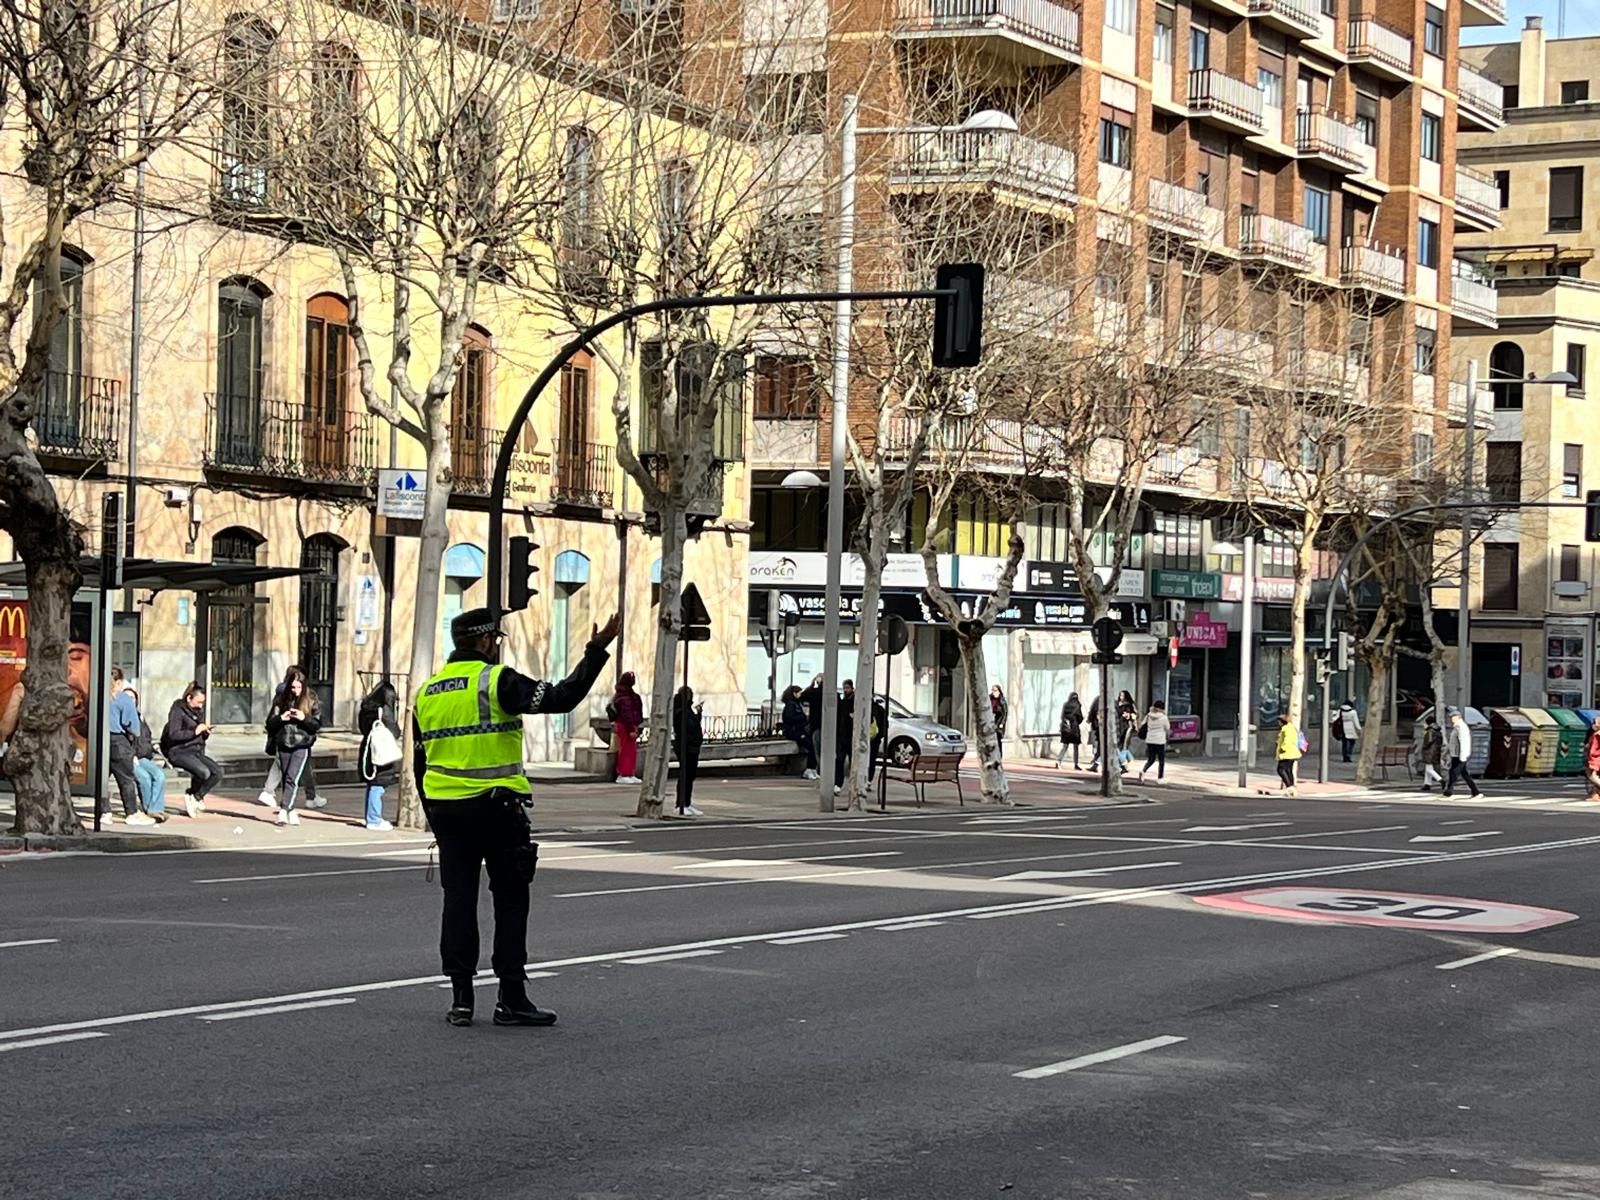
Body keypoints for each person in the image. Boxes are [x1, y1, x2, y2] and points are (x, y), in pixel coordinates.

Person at [414, 606, 617, 1029]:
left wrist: (433, 813)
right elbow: (562, 697)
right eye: (497, 641)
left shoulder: (428, 691)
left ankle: (461, 1000)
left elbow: (421, 762)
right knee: (509, 901)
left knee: (458, 902)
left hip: (448, 813)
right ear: (487, 640)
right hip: (496, 808)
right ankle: (511, 998)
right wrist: (596, 651)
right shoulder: (497, 680)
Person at [257, 667, 326, 811]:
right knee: (288, 775)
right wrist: (282, 718)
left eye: (299, 687)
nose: (295, 690)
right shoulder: (282, 698)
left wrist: (303, 718)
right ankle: (285, 800)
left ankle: (303, 799)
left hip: (302, 742)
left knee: (294, 775)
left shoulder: (311, 699)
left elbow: (316, 724)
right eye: (293, 687)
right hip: (284, 741)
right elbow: (270, 722)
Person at [161, 684, 221, 818]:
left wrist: (205, 732)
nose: (201, 706)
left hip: (195, 750)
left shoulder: (198, 712)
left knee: (217, 772)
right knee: (203, 772)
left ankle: (196, 796)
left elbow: (199, 735)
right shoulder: (178, 711)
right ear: (189, 698)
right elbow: (174, 734)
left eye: (203, 703)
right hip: (179, 751)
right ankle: (192, 795)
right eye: (199, 702)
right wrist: (195, 731)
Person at [358, 679, 401, 831]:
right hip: (381, 749)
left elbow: (362, 727)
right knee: (379, 785)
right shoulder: (384, 710)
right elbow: (394, 730)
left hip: (368, 747)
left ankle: (370, 816)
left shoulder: (366, 707)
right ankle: (374, 819)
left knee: (372, 784)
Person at [107, 669, 145, 824]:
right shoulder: (123, 699)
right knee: (126, 778)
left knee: (102, 779)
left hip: (100, 740)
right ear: (119, 682)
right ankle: (131, 812)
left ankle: (104, 812)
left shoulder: (97, 695)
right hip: (118, 740)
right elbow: (132, 726)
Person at [123, 688, 166, 823]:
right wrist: (131, 755)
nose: (130, 700)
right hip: (130, 757)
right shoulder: (122, 716)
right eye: (127, 697)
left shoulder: (140, 717)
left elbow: (146, 737)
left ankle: (156, 808)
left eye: (133, 698)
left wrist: (152, 747)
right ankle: (149, 809)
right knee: (144, 778)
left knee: (159, 775)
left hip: (144, 756)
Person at [671, 685, 704, 817]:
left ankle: (687, 803)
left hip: (692, 747)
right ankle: (681, 804)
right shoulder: (681, 711)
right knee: (685, 775)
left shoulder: (687, 710)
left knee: (690, 776)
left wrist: (698, 715)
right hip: (686, 747)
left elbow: (694, 725)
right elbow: (686, 728)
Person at [610, 672, 643, 785]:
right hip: (625, 726)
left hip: (629, 725)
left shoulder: (625, 695)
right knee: (625, 750)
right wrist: (631, 729)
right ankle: (623, 773)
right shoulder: (624, 697)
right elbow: (626, 714)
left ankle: (630, 773)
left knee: (631, 750)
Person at [1442, 707, 1481, 798]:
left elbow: (1463, 741)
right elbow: (1452, 742)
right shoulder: (1457, 727)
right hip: (1456, 754)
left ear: (1458, 717)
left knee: (1454, 773)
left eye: (1453, 717)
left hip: (1459, 754)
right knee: (1464, 774)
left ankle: (1449, 791)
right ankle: (1475, 791)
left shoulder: (1460, 727)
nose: (1451, 719)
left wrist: (1462, 756)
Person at [781, 685, 818, 780]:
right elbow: (790, 718)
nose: (801, 695)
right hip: (794, 732)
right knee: (810, 745)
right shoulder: (791, 705)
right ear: (794, 693)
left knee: (812, 745)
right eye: (799, 693)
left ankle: (812, 769)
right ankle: (809, 769)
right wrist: (804, 718)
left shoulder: (797, 704)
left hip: (798, 730)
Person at [1138, 700, 1171, 782]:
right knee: (1161, 760)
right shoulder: (1163, 717)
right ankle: (1160, 778)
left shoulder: (1148, 716)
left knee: (1151, 759)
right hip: (1160, 741)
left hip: (1149, 740)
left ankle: (1143, 770)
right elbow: (1167, 728)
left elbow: (1142, 724)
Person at [834, 679, 856, 794]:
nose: (846, 690)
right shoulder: (843, 701)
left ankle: (853, 784)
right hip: (842, 737)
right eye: (844, 688)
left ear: (852, 688)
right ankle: (838, 784)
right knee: (839, 761)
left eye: (847, 688)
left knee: (853, 762)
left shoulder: (855, 701)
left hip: (852, 737)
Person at [1275, 713, 1302, 796]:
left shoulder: (1286, 729)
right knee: (1288, 770)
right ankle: (1291, 787)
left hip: (1287, 753)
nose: (1278, 724)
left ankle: (1289, 786)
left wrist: (1283, 748)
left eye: (1279, 721)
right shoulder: (1291, 728)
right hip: (1293, 752)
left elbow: (1287, 740)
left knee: (1281, 770)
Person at [1056, 692, 1083, 769]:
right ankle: (1076, 764)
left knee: (1065, 746)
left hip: (1066, 728)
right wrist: (1076, 722)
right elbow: (1080, 718)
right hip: (1074, 728)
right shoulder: (1077, 705)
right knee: (1076, 747)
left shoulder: (1066, 705)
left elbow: (1062, 716)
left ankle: (1059, 760)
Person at [1419, 716, 1444, 791]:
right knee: (1428, 768)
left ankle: (1441, 780)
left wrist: (1423, 746)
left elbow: (1428, 741)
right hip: (1435, 751)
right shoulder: (1438, 731)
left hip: (1429, 751)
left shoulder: (1430, 731)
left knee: (1429, 769)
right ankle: (1427, 784)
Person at [1115, 690, 1137, 773]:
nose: (1121, 697)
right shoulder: (1117, 704)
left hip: (1126, 727)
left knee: (1122, 747)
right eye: (1120, 695)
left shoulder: (1129, 705)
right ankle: (1128, 760)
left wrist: (1128, 715)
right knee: (1119, 747)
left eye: (1123, 696)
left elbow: (1134, 715)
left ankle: (1124, 764)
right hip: (1118, 727)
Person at [1333, 700, 1362, 764]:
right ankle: (1349, 755)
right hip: (1352, 730)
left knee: (1344, 744)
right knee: (1351, 743)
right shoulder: (1353, 712)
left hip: (1343, 730)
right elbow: (1356, 722)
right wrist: (1359, 729)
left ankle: (1345, 756)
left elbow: (1335, 719)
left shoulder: (1340, 711)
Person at [1585, 720, 1600, 802]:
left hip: (1596, 758)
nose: (1594, 725)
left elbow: (1593, 747)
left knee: (1592, 776)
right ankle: (1595, 794)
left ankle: (1595, 794)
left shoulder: (1597, 734)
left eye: (1596, 723)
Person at [1087, 694, 1102, 770]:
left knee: (1098, 746)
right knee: (1099, 746)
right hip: (1100, 728)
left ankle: (1096, 762)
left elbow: (1091, 714)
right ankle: (1096, 763)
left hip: (1098, 728)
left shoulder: (1097, 702)